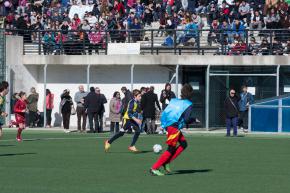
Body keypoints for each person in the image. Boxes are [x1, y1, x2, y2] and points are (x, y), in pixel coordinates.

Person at [150, 84, 199, 176]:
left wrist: (164, 124)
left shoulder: (175, 101)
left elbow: (166, 112)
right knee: (170, 149)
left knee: (184, 144)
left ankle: (166, 162)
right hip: (174, 128)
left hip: (170, 125)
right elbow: (187, 119)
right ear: (191, 94)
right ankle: (154, 168)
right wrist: (194, 119)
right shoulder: (189, 104)